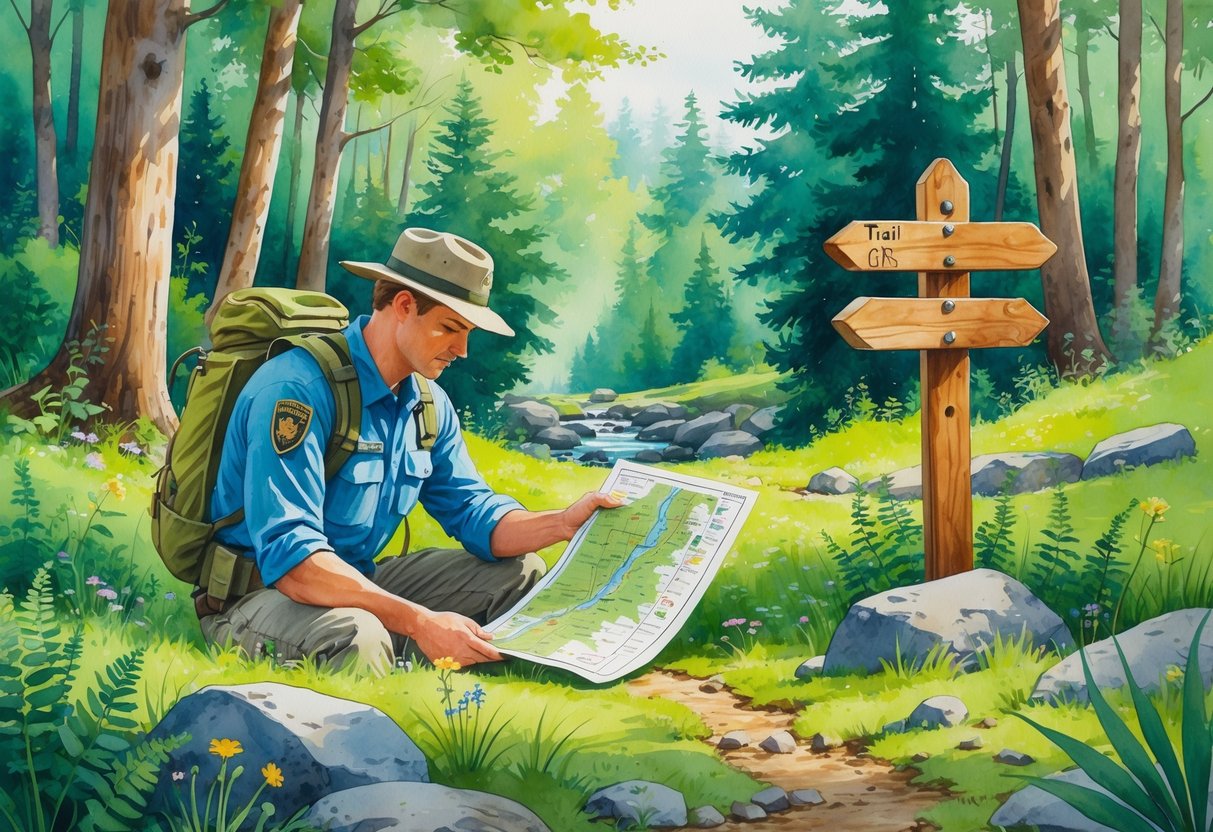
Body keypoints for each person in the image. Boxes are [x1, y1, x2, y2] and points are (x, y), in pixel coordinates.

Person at [199, 227, 621, 673]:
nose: (461, 350)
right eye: (449, 328)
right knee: (356, 636)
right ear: (403, 306)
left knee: (521, 574)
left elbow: (474, 513)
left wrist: (562, 523)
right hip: (259, 598)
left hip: (359, 584)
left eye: (468, 333)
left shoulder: (427, 404)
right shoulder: (297, 390)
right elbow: (294, 561)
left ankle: (471, 689)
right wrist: (419, 622)